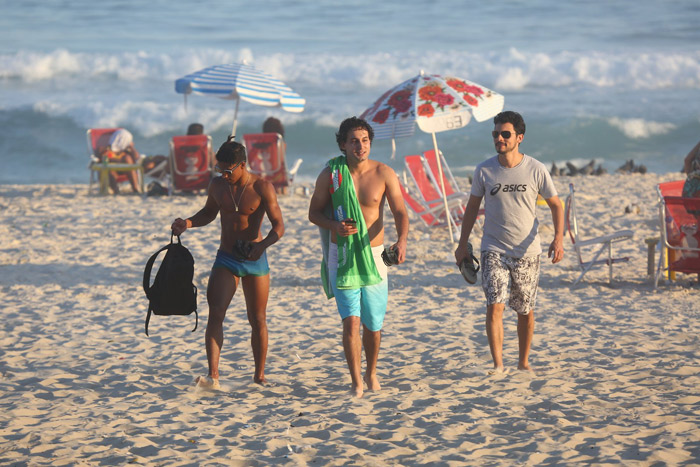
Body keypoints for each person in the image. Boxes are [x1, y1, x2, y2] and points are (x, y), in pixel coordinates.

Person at [454, 111, 564, 374]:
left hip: (527, 250)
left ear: (519, 137)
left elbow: (556, 205)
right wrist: (462, 243)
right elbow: (471, 209)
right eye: (496, 134)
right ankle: (498, 364)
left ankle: (523, 361)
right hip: (493, 247)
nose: (499, 139)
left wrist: (558, 238)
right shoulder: (484, 170)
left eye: (505, 134)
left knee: (524, 309)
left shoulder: (536, 169)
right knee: (494, 304)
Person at [171, 137, 284, 389]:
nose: (223, 175)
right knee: (216, 314)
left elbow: (279, 227)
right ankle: (214, 375)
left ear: (242, 165)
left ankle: (260, 376)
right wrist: (187, 223)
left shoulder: (262, 187)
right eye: (219, 169)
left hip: (255, 258)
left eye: (227, 170)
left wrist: (261, 246)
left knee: (257, 319)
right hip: (226, 257)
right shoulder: (218, 186)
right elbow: (209, 213)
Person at [308, 116, 409, 398]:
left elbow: (400, 211)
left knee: (373, 325)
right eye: (354, 141)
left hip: (375, 255)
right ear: (343, 145)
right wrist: (334, 226)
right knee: (351, 321)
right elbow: (313, 213)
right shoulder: (331, 175)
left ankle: (371, 372)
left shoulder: (384, 173)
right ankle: (356, 381)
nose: (360, 146)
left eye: (364, 140)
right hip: (341, 254)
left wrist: (401, 240)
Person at [97, 128, 141, 194]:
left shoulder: (126, 151)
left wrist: (131, 147)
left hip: (125, 170)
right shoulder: (106, 149)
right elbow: (102, 160)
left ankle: (135, 189)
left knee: (128, 159)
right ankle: (116, 191)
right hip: (111, 171)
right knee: (111, 169)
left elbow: (137, 158)